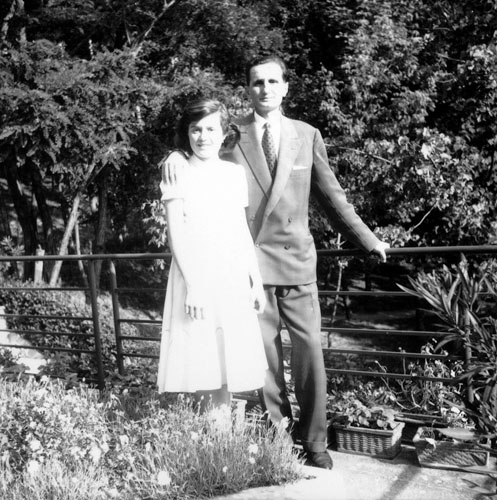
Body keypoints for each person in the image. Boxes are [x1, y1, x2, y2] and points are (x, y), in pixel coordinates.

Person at [161, 55, 389, 469]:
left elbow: (332, 196)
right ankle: (278, 438)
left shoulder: (306, 134)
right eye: (256, 82)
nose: (264, 89)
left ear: (285, 87)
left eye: (272, 82)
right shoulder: (232, 135)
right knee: (264, 362)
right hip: (250, 268)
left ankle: (315, 441)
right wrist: (174, 156)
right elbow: (200, 149)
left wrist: (368, 239)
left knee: (309, 353)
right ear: (248, 89)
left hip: (297, 262)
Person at [157, 98, 268, 411]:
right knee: (202, 361)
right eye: (196, 129)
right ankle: (210, 437)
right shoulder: (177, 171)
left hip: (231, 276)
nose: (202, 136)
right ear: (187, 133)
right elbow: (176, 235)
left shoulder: (233, 173)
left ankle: (222, 438)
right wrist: (193, 286)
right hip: (196, 276)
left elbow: (240, 231)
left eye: (210, 129)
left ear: (223, 134)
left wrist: (255, 280)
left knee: (227, 361)